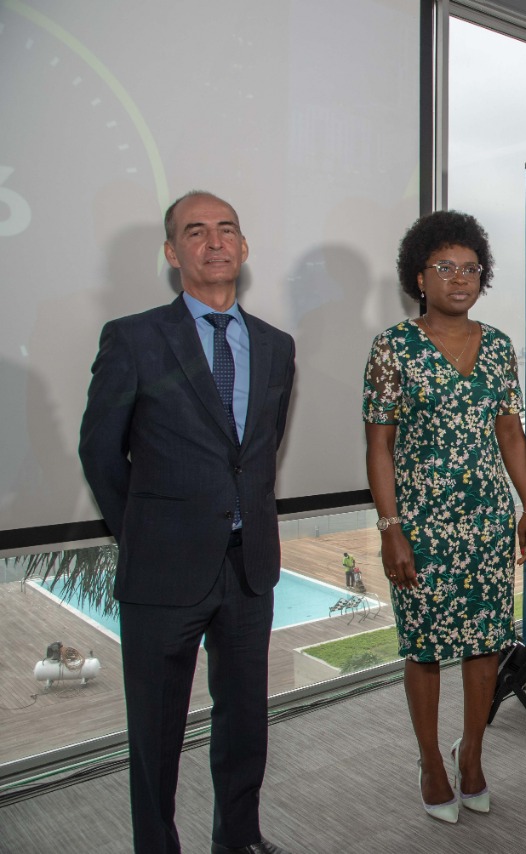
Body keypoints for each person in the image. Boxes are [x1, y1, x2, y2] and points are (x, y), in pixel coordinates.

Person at [79, 191, 295, 854]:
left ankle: (239, 838)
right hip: (162, 571)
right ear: (173, 253)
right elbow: (100, 451)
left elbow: (259, 451)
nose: (215, 242)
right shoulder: (134, 338)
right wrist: (145, 533)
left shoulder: (277, 345)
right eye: (195, 232)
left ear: (244, 246)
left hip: (248, 567)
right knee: (156, 731)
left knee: (244, 723)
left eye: (227, 229)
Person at [364, 211, 526, 823]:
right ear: (419, 277)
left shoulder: (499, 347)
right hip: (420, 525)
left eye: (471, 268)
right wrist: (391, 529)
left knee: (485, 642)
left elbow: (511, 433)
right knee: (423, 647)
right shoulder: (392, 348)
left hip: (486, 520)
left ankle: (472, 754)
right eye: (445, 267)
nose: (460, 278)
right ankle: (430, 762)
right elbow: (379, 446)